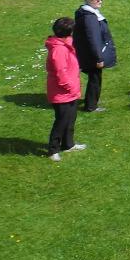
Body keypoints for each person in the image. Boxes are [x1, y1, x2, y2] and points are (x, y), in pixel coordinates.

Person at [44, 16, 85, 162]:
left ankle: (68, 144)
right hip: (62, 92)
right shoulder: (58, 50)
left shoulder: (66, 44)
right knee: (61, 121)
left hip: (70, 91)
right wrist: (72, 88)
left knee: (70, 119)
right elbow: (61, 74)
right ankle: (53, 150)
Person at [73, 0, 116, 112]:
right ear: (90, 1)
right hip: (91, 54)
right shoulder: (90, 18)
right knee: (95, 78)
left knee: (94, 77)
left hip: (86, 52)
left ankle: (92, 100)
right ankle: (91, 105)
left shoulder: (84, 12)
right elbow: (93, 38)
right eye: (98, 0)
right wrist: (99, 58)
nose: (101, 2)